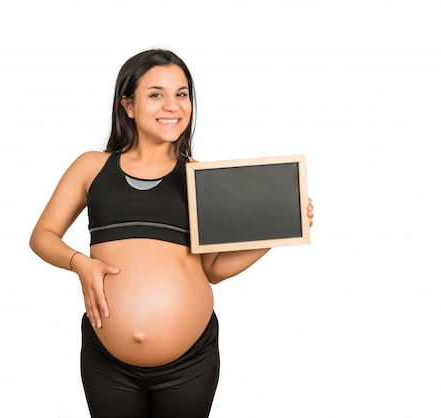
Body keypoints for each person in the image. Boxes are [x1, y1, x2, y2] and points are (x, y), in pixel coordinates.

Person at [30, 49, 314, 418]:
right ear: (127, 105)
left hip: (190, 362)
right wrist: (80, 264)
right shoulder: (92, 167)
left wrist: (277, 227)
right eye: (156, 94)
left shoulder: (198, 176)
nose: (173, 105)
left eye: (182, 94)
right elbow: (43, 235)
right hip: (107, 361)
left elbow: (213, 269)